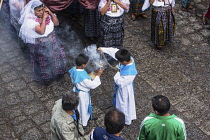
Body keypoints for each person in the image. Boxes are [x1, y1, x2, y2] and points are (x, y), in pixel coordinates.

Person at [18, 0, 66, 85]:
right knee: (44, 62)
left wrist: (51, 13)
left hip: (52, 41)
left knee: (56, 58)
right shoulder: (30, 21)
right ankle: (46, 79)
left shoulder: (46, 14)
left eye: (42, 10)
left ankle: (58, 73)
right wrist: (44, 18)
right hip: (41, 46)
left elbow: (57, 23)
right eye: (38, 11)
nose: (41, 12)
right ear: (33, 11)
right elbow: (41, 31)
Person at [98, 47, 137, 125]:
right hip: (122, 85)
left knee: (123, 104)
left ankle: (125, 119)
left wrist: (118, 72)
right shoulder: (127, 58)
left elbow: (120, 83)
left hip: (125, 89)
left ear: (125, 62)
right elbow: (115, 51)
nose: (118, 62)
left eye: (119, 61)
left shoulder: (131, 73)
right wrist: (103, 49)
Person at [69, 54, 103, 126]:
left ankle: (86, 117)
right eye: (86, 63)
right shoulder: (82, 77)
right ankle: (83, 123)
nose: (87, 64)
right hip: (82, 94)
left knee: (82, 107)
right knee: (83, 108)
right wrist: (98, 75)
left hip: (76, 90)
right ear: (83, 65)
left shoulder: (74, 69)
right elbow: (91, 85)